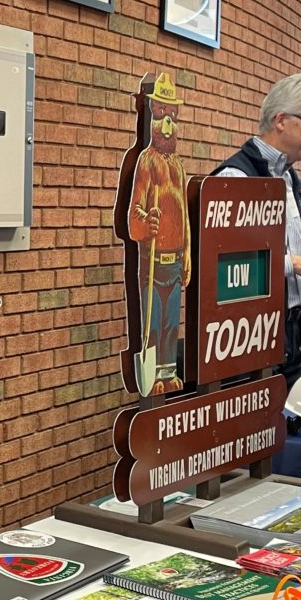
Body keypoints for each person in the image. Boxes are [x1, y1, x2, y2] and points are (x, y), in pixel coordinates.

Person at [211, 74, 301, 389]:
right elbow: (224, 264)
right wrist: (295, 264)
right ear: (281, 120)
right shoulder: (237, 177)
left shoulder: (289, 179)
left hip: (289, 338)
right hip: (249, 344)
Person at [128, 73, 190, 396]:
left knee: (171, 325)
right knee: (152, 324)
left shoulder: (178, 166)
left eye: (172, 118)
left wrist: (189, 254)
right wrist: (145, 223)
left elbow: (185, 218)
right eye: (162, 116)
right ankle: (151, 377)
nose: (167, 125)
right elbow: (133, 216)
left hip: (176, 262)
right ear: (153, 116)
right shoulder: (146, 162)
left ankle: (168, 373)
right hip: (152, 264)